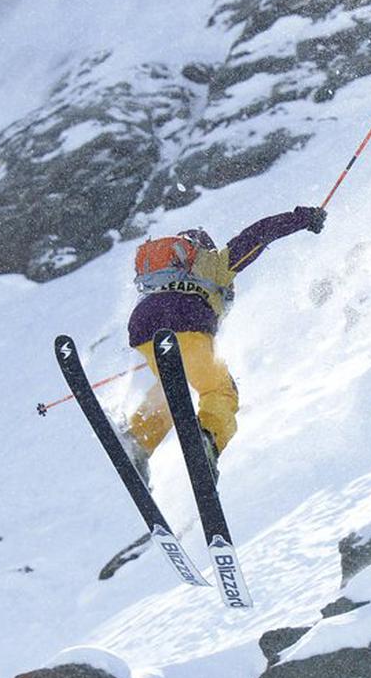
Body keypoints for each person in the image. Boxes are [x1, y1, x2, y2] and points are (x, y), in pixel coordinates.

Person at [121, 204, 327, 480]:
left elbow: (159, 307)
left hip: (143, 326)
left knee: (174, 390)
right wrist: (302, 219)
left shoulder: (158, 277)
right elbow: (258, 235)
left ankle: (137, 440)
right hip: (186, 319)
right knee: (221, 390)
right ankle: (209, 440)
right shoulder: (214, 263)